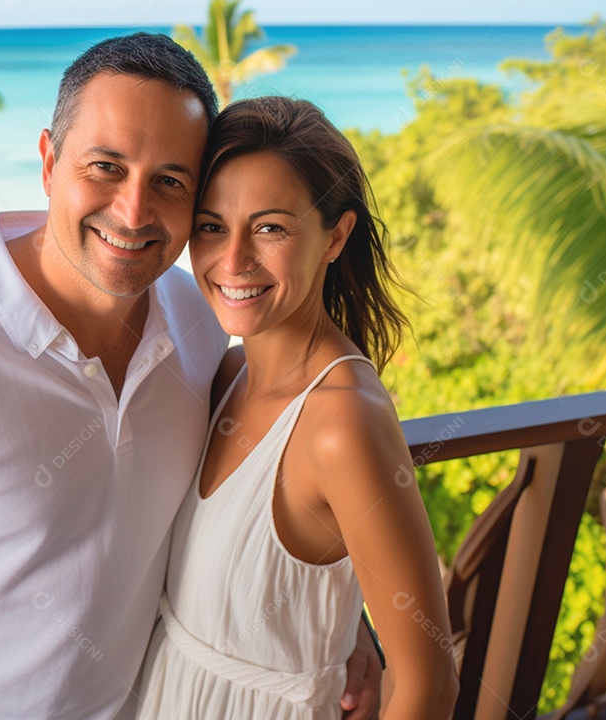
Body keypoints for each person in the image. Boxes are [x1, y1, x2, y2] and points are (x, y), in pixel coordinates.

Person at [0, 34, 383, 720]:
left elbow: (261, 484)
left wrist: (347, 620)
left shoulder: (198, 315)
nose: (133, 211)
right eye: (106, 166)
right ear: (48, 162)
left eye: (170, 181)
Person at [135, 97, 459, 718]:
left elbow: (429, 685)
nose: (232, 261)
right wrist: (349, 627)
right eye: (210, 226)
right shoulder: (227, 374)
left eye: (270, 228)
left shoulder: (342, 423)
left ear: (336, 236)